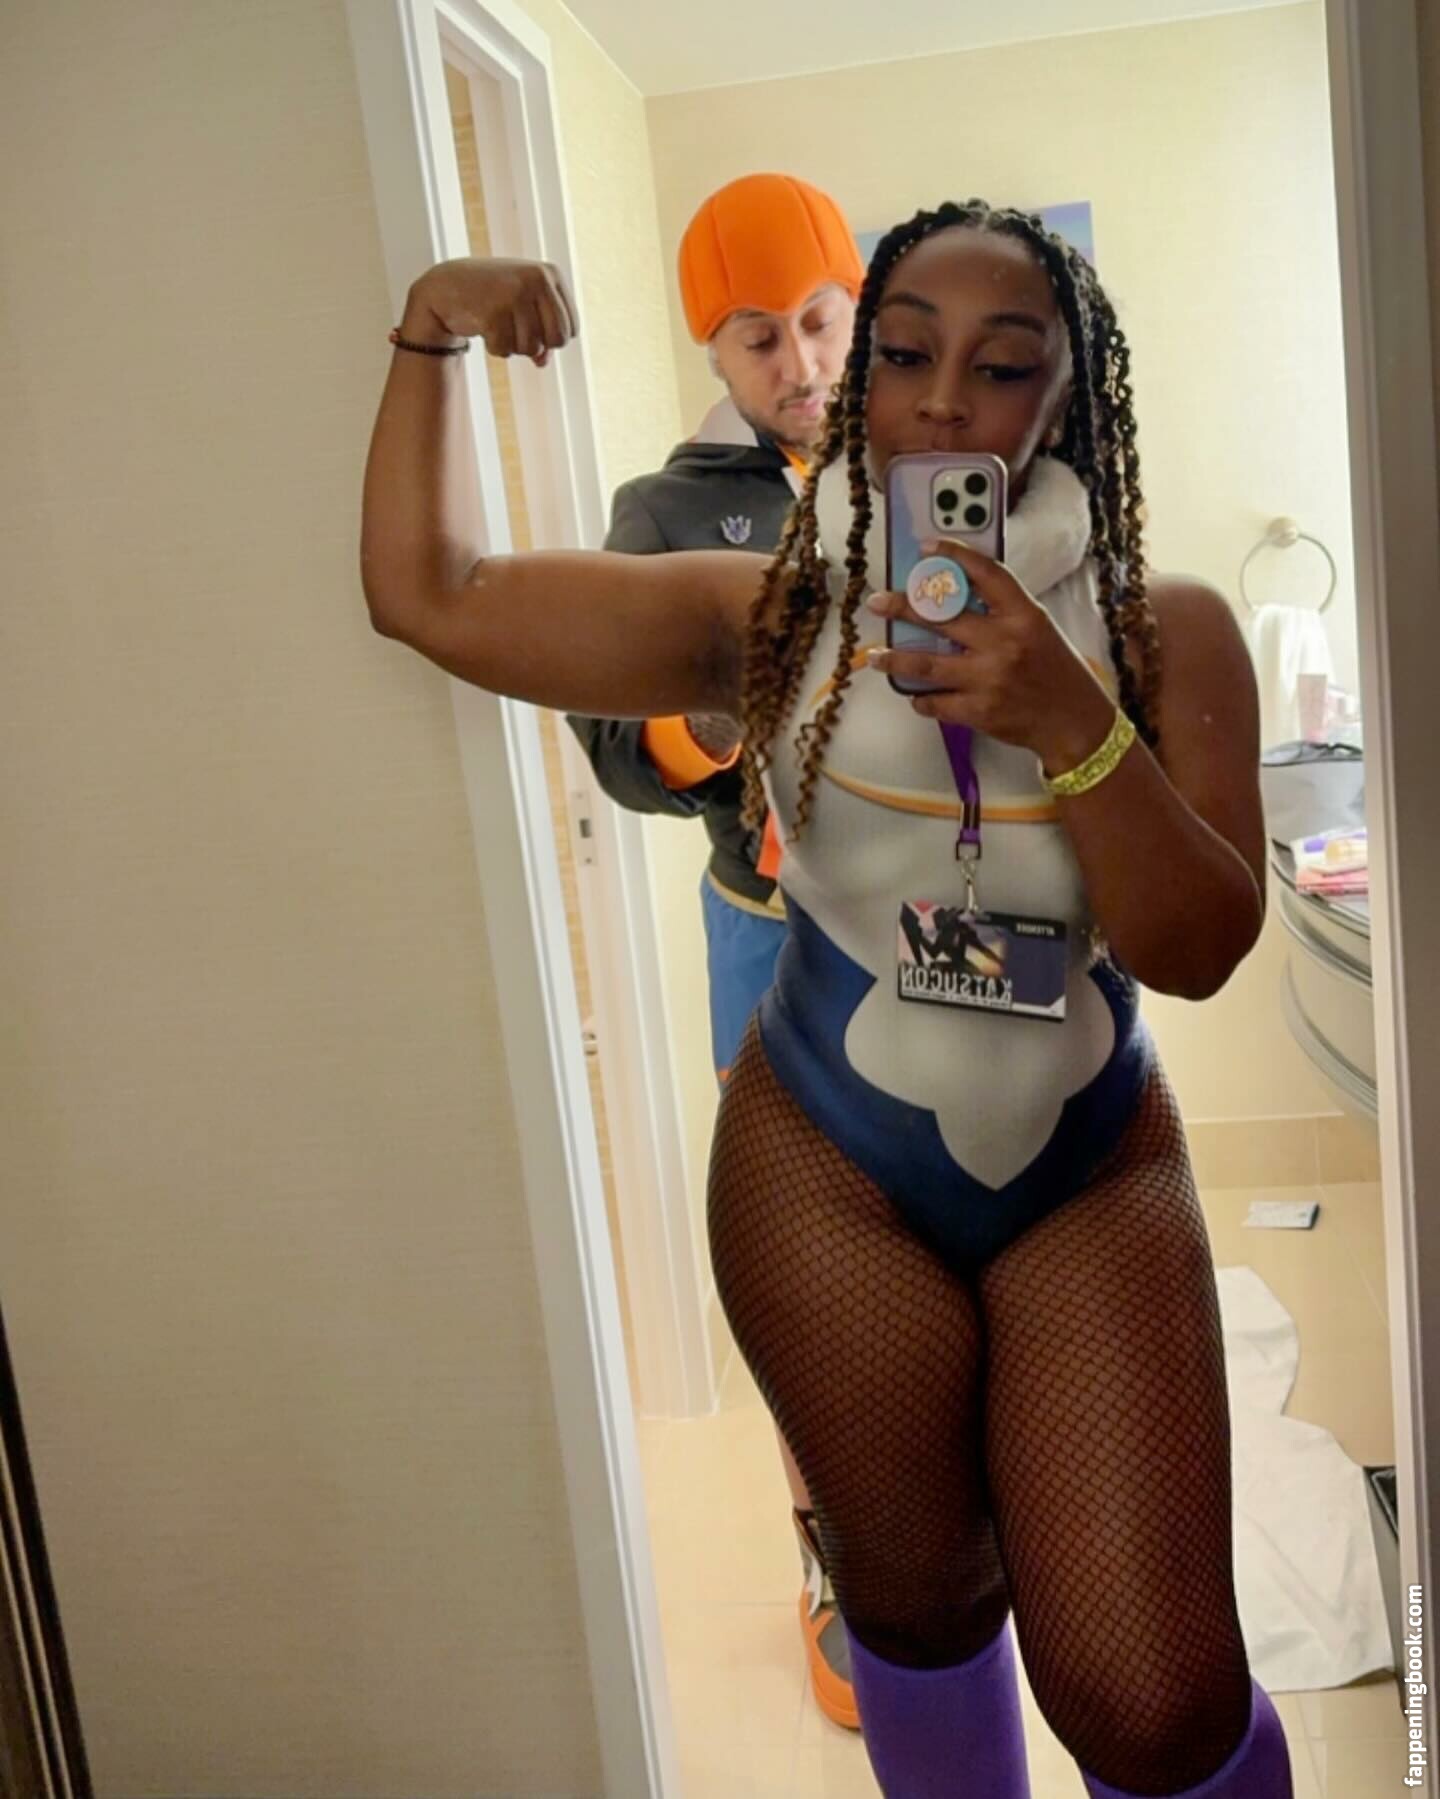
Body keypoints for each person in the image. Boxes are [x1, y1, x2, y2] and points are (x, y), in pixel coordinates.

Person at [361, 198, 1290, 1797]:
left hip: (1088, 1168)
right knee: (915, 1611)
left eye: (1002, 366)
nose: (943, 402)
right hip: (829, 1171)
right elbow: (427, 594)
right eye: (906, 355)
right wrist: (429, 331)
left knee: (1154, 1700)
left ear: (1065, 396)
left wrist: (1070, 718)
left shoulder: (1164, 632)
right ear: (864, 378)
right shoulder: (768, 614)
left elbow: (1199, 947)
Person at [565, 172, 864, 1730]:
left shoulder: (947, 456)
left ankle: (967, 1522)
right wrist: (733, 700)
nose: (798, 364)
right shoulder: (663, 514)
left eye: (817, 321)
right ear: (711, 348)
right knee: (809, 1275)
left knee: (966, 1231)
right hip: (766, 939)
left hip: (948, 925)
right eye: (758, 339)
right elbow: (619, 753)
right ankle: (838, 1566)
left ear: (857, 302)